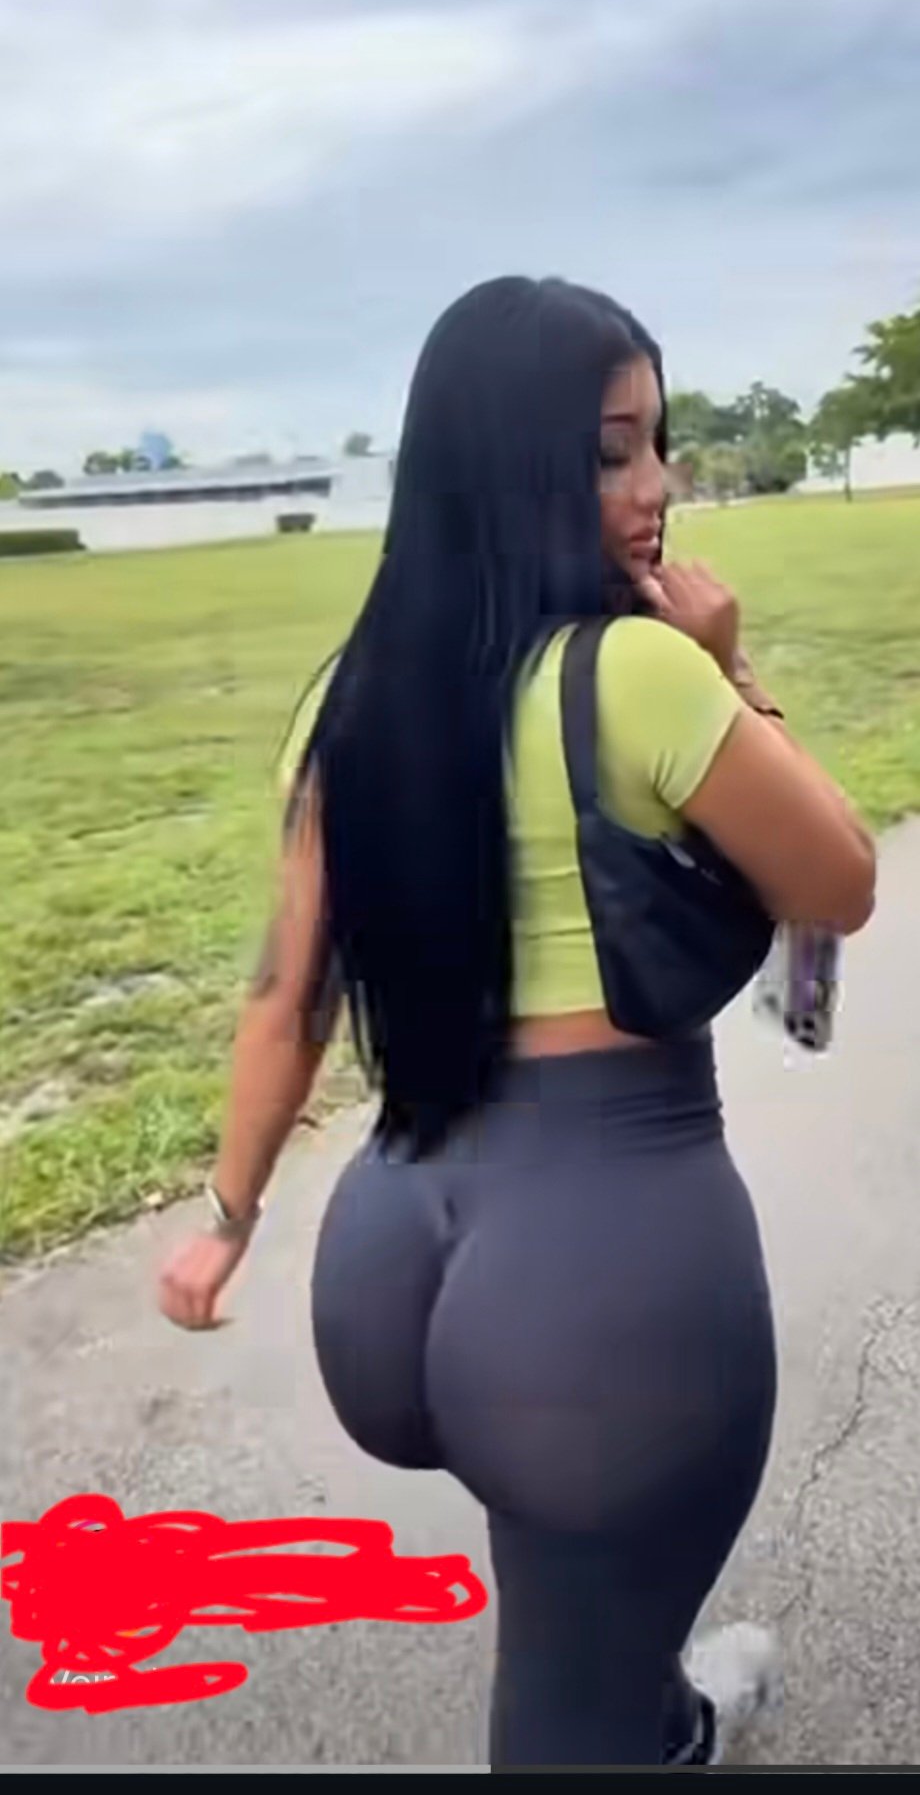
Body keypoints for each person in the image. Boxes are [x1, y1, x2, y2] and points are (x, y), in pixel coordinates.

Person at [157, 277, 876, 1768]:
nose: (656, 486)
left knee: (569, 1558)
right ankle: (639, 1717)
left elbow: (288, 993)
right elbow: (840, 882)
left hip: (393, 1256)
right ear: (509, 463)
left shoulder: (353, 697)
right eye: (613, 450)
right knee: (569, 1707)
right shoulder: (642, 670)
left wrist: (225, 1220)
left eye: (659, 443)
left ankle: (648, 1696)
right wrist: (735, 672)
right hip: (595, 1281)